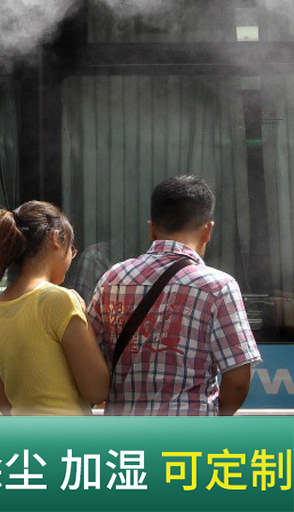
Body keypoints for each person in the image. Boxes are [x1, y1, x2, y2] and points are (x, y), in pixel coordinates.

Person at [88, 175, 261, 416]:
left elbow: (88, 362)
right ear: (208, 230)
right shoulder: (218, 286)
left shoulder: (112, 280)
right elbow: (239, 379)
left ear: (151, 229)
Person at [0, 202, 109, 415]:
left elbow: (4, 404)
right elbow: (97, 391)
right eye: (71, 249)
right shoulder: (60, 300)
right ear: (55, 239)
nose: (71, 257)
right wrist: (83, 313)